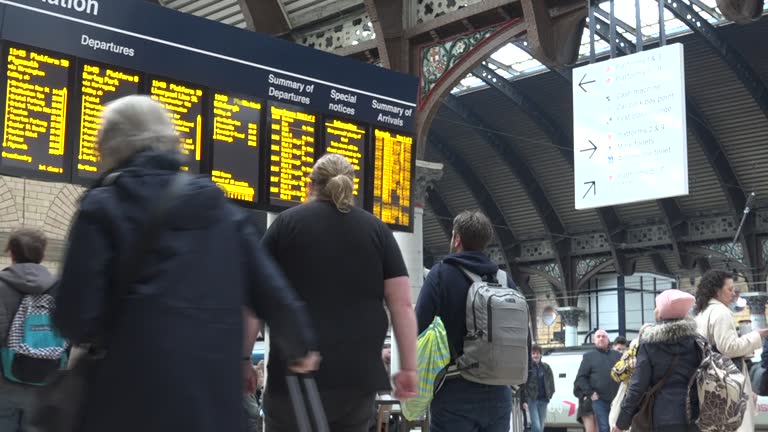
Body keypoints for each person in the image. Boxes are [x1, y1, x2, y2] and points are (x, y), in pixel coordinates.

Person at [54, 95, 318, 432]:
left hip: (127, 405)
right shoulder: (220, 210)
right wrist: (301, 347)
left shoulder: (102, 207)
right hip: (213, 409)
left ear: (112, 146)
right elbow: (274, 294)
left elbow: (75, 318)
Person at [261, 153, 418, 432]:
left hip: (293, 379)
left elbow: (254, 298)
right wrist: (408, 368)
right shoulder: (377, 231)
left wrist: (244, 361)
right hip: (356, 383)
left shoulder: (285, 225)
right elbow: (402, 304)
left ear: (311, 185)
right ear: (351, 186)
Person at [416, 210, 528, 432]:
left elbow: (418, 327)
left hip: (454, 390)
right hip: (499, 393)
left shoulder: (440, 274)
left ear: (456, 239)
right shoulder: (505, 280)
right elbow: (525, 335)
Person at [613, 289, 702, 432]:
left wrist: (621, 422)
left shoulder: (649, 344)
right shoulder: (697, 343)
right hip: (693, 415)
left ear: (661, 312)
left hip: (661, 417)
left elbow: (637, 387)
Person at [694, 269, 768, 432]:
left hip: (710, 381)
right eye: (729, 289)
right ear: (717, 291)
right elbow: (729, 348)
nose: (733, 293)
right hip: (729, 382)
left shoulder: (701, 313)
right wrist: (757, 336)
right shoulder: (721, 313)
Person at [0, 228, 56, 432]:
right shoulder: (59, 288)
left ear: (11, 253)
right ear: (43, 254)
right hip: (45, 380)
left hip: (4, 382)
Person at [574, 330, 621, 432]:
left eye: (603, 336)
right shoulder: (588, 357)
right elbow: (581, 378)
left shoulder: (617, 355)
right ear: (594, 340)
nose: (601, 338)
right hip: (600, 401)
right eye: (598, 336)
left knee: (616, 428)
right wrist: (591, 393)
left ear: (608, 340)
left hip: (616, 400)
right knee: (604, 428)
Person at [609, 324, 652, 430]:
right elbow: (615, 374)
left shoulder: (659, 351)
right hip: (632, 398)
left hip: (651, 400)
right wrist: (629, 366)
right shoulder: (632, 351)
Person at [523, 345, 555, 432]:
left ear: (541, 354)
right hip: (532, 400)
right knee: (536, 426)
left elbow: (551, 383)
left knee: (541, 426)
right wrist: (524, 400)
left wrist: (550, 395)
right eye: (533, 353)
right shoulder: (527, 368)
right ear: (530, 355)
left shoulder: (546, 367)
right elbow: (523, 385)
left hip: (543, 400)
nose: (535, 355)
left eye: (537, 353)